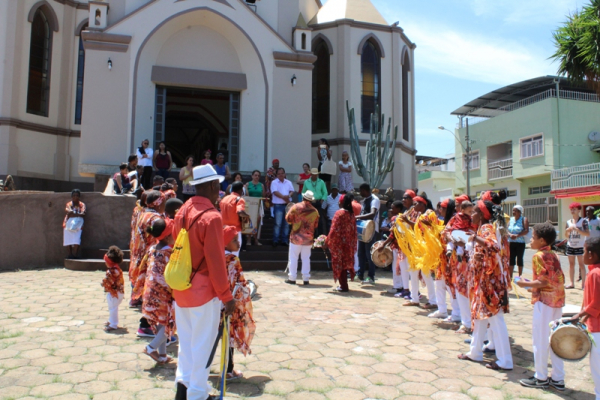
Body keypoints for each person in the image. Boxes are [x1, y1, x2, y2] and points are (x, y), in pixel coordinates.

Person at [172, 164, 235, 400]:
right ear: (211, 185)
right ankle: (197, 394)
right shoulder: (211, 217)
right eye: (217, 185)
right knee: (203, 346)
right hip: (203, 293)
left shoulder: (182, 211)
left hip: (181, 288)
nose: (219, 190)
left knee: (186, 344)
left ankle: (183, 386)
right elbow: (216, 261)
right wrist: (227, 296)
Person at [458, 200, 513, 372]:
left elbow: (494, 247)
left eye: (474, 212)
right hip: (483, 283)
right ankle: (475, 352)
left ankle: (505, 360)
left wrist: (475, 239)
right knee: (479, 316)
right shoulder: (482, 229)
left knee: (496, 321)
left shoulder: (486, 228)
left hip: (491, 284)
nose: (471, 215)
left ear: (481, 214)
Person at [516, 223, 565, 390]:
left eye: (533, 237)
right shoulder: (554, 255)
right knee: (555, 340)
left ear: (541, 240)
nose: (531, 239)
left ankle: (541, 377)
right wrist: (533, 285)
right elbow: (553, 279)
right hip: (557, 302)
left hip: (544, 303)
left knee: (540, 340)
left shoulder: (538, 256)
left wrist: (523, 284)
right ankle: (558, 378)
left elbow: (543, 281)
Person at [131, 190, 166, 338]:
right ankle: (146, 326)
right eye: (163, 202)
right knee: (152, 292)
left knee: (148, 291)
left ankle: (149, 324)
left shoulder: (142, 213)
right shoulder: (155, 218)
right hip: (151, 258)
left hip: (140, 256)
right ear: (158, 204)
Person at [222, 226, 256, 380]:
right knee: (229, 335)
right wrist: (249, 289)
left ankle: (204, 367)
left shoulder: (214, 256)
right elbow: (239, 283)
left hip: (214, 302)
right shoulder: (233, 260)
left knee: (212, 337)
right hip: (229, 303)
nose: (238, 243)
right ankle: (228, 370)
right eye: (234, 240)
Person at [142, 218, 175, 364]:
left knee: (162, 322)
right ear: (168, 236)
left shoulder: (152, 249)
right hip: (163, 293)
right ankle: (150, 348)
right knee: (169, 324)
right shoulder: (170, 253)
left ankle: (162, 355)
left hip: (150, 291)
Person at [400, 196, 437, 309]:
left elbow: (425, 227)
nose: (413, 206)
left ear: (422, 204)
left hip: (425, 248)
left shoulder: (430, 213)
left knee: (426, 275)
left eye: (415, 203)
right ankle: (414, 298)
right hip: (415, 248)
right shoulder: (417, 214)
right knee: (413, 273)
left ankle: (433, 301)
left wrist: (407, 221)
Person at [574, 236, 600, 400]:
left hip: (597, 329)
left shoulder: (594, 274)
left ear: (591, 255)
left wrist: (578, 316)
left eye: (583, 251)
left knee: (597, 367)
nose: (582, 254)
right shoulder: (594, 271)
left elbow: (596, 303)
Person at [284, 190, 319, 285]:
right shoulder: (315, 211)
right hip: (308, 238)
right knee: (306, 258)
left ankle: (292, 278)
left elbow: (288, 219)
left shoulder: (295, 207)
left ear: (303, 197)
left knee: (293, 257)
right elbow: (315, 225)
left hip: (296, 236)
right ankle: (306, 278)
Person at [324, 193, 358, 292]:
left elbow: (333, 229)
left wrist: (327, 241)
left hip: (339, 244)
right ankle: (344, 284)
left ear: (342, 202)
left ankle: (343, 286)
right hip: (348, 244)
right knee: (344, 265)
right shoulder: (351, 214)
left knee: (340, 264)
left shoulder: (339, 213)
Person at [356, 183, 380, 284]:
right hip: (363, 229)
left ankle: (371, 276)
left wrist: (356, 217)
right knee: (360, 253)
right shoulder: (365, 200)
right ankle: (360, 274)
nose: (360, 193)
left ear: (365, 190)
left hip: (371, 229)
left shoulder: (374, 199)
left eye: (361, 191)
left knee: (369, 253)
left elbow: (372, 214)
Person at [221, 182, 250, 257]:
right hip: (235, 232)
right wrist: (247, 217)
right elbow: (240, 212)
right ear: (241, 190)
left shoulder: (224, 199)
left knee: (224, 254)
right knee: (234, 255)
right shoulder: (239, 199)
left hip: (223, 230)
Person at [383, 201, 405, 295]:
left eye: (393, 208)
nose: (391, 210)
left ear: (399, 209)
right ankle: (402, 286)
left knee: (396, 267)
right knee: (400, 267)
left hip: (398, 246)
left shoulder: (397, 218)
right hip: (400, 246)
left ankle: (398, 287)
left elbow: (393, 234)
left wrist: (384, 244)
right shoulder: (403, 217)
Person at [565, 202, 588, 289]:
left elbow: (587, 233)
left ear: (579, 210)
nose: (572, 211)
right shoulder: (568, 222)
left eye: (574, 209)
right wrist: (568, 231)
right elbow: (566, 236)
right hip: (571, 245)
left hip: (580, 245)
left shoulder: (583, 221)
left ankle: (583, 284)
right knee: (571, 264)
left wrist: (577, 230)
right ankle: (571, 283)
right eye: (571, 209)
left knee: (581, 265)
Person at [102, 246, 124, 332]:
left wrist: (103, 283)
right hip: (118, 292)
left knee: (113, 308)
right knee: (112, 307)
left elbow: (108, 282)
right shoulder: (117, 269)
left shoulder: (112, 271)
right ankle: (111, 320)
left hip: (115, 293)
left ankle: (113, 324)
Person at [271, 168, 294, 247]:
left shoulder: (289, 182)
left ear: (285, 174)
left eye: (282, 173)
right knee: (278, 223)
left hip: (287, 205)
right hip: (278, 205)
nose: (281, 175)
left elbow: (292, 191)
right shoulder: (274, 182)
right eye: (279, 173)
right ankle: (275, 240)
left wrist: (289, 196)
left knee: (287, 223)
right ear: (277, 175)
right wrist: (284, 197)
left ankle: (284, 240)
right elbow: (275, 192)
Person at [302, 168, 328, 236]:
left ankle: (319, 238)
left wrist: (322, 200)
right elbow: (303, 192)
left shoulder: (321, 182)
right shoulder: (306, 182)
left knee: (319, 221)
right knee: (309, 220)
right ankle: (310, 236)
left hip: (318, 202)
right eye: (313, 174)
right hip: (310, 203)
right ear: (311, 174)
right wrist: (306, 200)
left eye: (316, 175)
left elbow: (325, 192)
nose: (315, 176)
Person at [63, 189, 86, 259]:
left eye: (77, 195)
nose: (75, 197)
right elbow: (69, 212)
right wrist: (77, 214)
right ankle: (70, 255)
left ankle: (75, 255)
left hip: (79, 224)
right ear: (71, 196)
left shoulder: (82, 204)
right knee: (68, 239)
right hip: (68, 223)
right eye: (74, 195)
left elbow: (83, 213)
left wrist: (74, 214)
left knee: (77, 238)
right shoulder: (69, 204)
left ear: (79, 197)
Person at [508, 205, 530, 278]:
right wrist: (510, 234)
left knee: (519, 259)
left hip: (520, 243)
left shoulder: (524, 219)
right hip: (511, 242)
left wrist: (517, 235)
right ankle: (510, 276)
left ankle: (519, 276)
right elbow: (506, 229)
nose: (513, 212)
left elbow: (526, 230)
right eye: (513, 210)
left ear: (519, 212)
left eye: (515, 211)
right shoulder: (511, 219)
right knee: (511, 258)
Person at [245, 170, 265, 246]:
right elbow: (246, 195)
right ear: (252, 176)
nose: (257, 177)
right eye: (255, 175)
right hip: (250, 206)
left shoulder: (261, 185)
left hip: (259, 206)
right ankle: (249, 238)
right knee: (250, 222)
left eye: (258, 175)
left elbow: (263, 196)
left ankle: (256, 239)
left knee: (256, 223)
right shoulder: (247, 184)